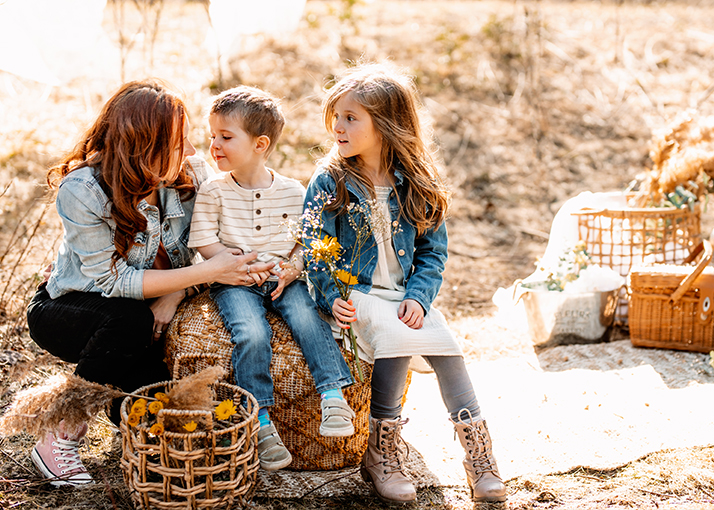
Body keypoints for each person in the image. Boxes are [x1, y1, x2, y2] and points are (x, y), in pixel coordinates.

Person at [26, 80, 269, 487]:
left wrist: (175, 294)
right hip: (69, 309)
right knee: (127, 323)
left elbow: (214, 250)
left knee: (156, 409)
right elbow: (110, 279)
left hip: (148, 309)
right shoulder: (83, 189)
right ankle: (58, 435)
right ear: (142, 146)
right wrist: (205, 274)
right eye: (179, 143)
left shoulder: (188, 175)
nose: (192, 152)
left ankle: (131, 428)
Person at [304, 63, 507, 504]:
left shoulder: (416, 182)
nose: (337, 126)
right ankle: (382, 452)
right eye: (335, 115)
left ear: (387, 125)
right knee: (396, 333)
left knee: (446, 343)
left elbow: (433, 253)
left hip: (402, 296)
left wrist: (419, 296)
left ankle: (479, 457)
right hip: (357, 294)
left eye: (351, 117)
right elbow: (313, 245)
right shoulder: (330, 181)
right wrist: (330, 294)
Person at [188, 86, 356, 471]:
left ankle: (332, 395)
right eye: (212, 134)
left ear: (260, 144)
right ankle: (261, 421)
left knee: (305, 317)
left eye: (226, 137)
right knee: (251, 332)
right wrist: (235, 267)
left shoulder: (292, 191)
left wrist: (292, 267)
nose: (214, 144)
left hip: (282, 277)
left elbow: (304, 240)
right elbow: (204, 242)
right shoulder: (214, 190)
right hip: (233, 280)